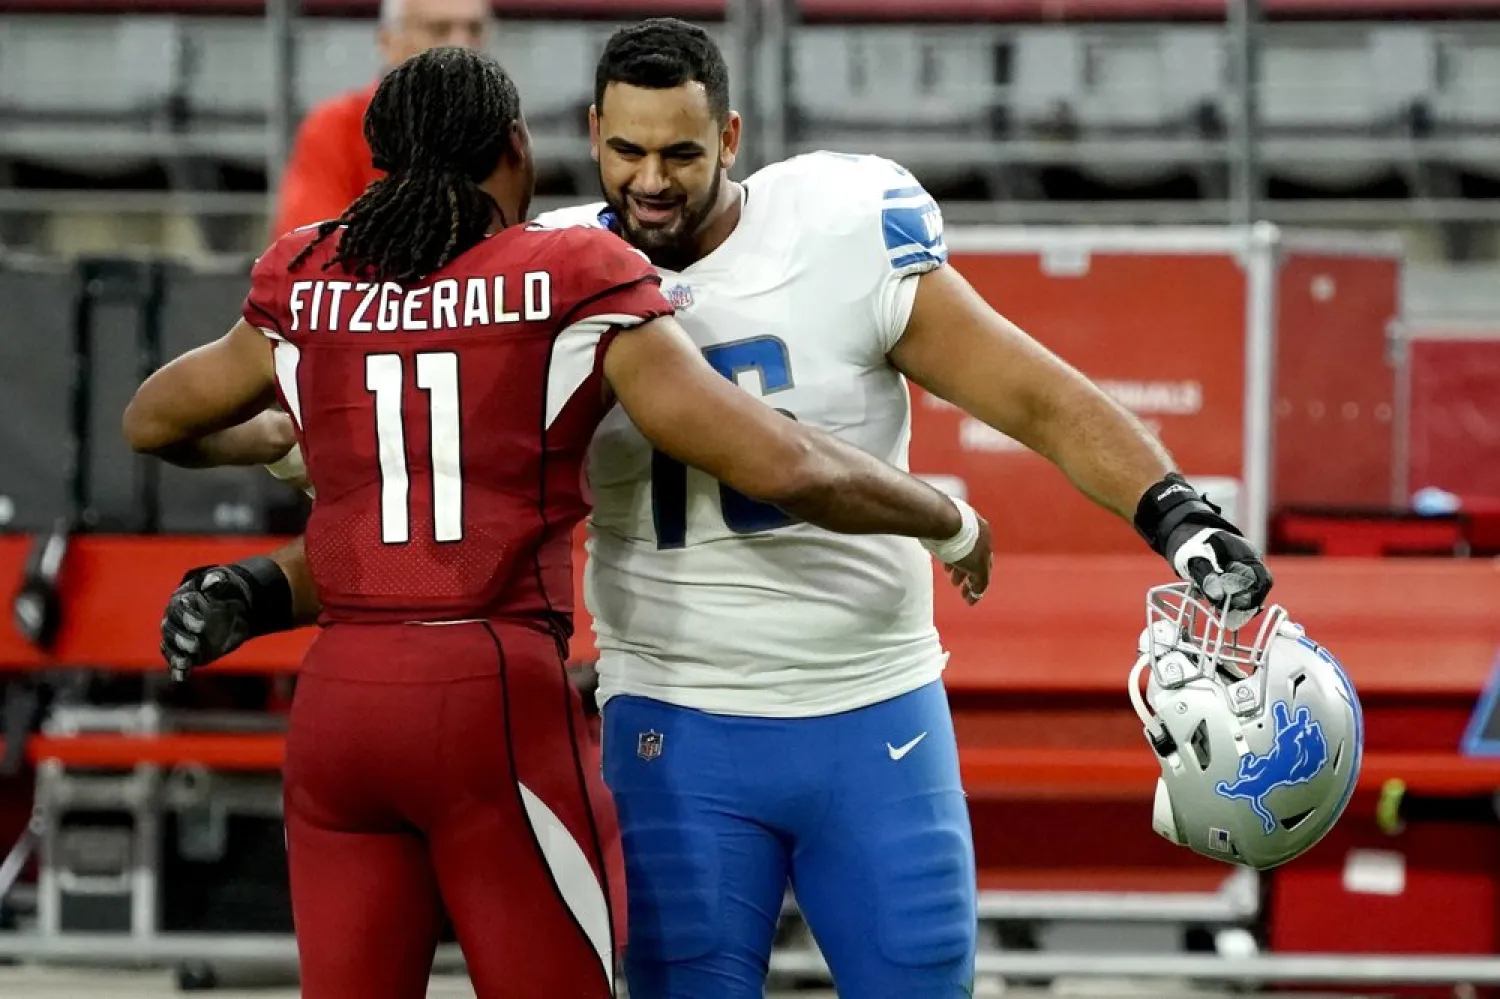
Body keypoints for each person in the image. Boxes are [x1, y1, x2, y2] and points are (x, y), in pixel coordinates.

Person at [150, 19, 1273, 999]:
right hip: (676, 719)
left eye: (681, 152)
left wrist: (1175, 511)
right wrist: (264, 585)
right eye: (628, 150)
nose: (652, 179)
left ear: (731, 139)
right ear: (586, 135)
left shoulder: (834, 222)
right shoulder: (555, 277)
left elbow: (1033, 391)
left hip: (870, 707)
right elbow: (446, 523)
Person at [271, 0, 489, 239]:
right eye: (438, 29)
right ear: (388, 40)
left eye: (474, 29)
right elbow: (310, 248)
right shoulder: (337, 127)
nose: (462, 45)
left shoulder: (499, 132)